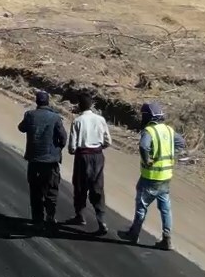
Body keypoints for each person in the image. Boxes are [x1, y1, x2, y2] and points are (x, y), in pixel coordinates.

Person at [121, 102, 176, 250]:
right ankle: (167, 238)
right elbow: (180, 142)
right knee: (165, 209)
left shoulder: (149, 131)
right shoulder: (169, 130)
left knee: (141, 205)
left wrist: (147, 159)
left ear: (149, 117)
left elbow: (144, 146)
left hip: (150, 176)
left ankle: (134, 233)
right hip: (166, 176)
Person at [16, 89, 67, 229]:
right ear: (48, 101)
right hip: (51, 161)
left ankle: (37, 218)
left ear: (36, 101)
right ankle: (50, 216)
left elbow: (21, 128)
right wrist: (57, 149)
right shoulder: (55, 118)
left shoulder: (30, 115)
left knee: (35, 190)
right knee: (51, 190)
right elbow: (63, 138)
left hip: (34, 160)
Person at [65, 91, 111, 234]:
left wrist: (75, 151)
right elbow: (108, 141)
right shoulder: (100, 119)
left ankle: (80, 215)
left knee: (80, 186)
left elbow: (72, 147)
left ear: (80, 106)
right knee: (97, 187)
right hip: (97, 155)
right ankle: (101, 220)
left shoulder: (77, 121)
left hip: (83, 156)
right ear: (91, 105)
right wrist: (98, 148)